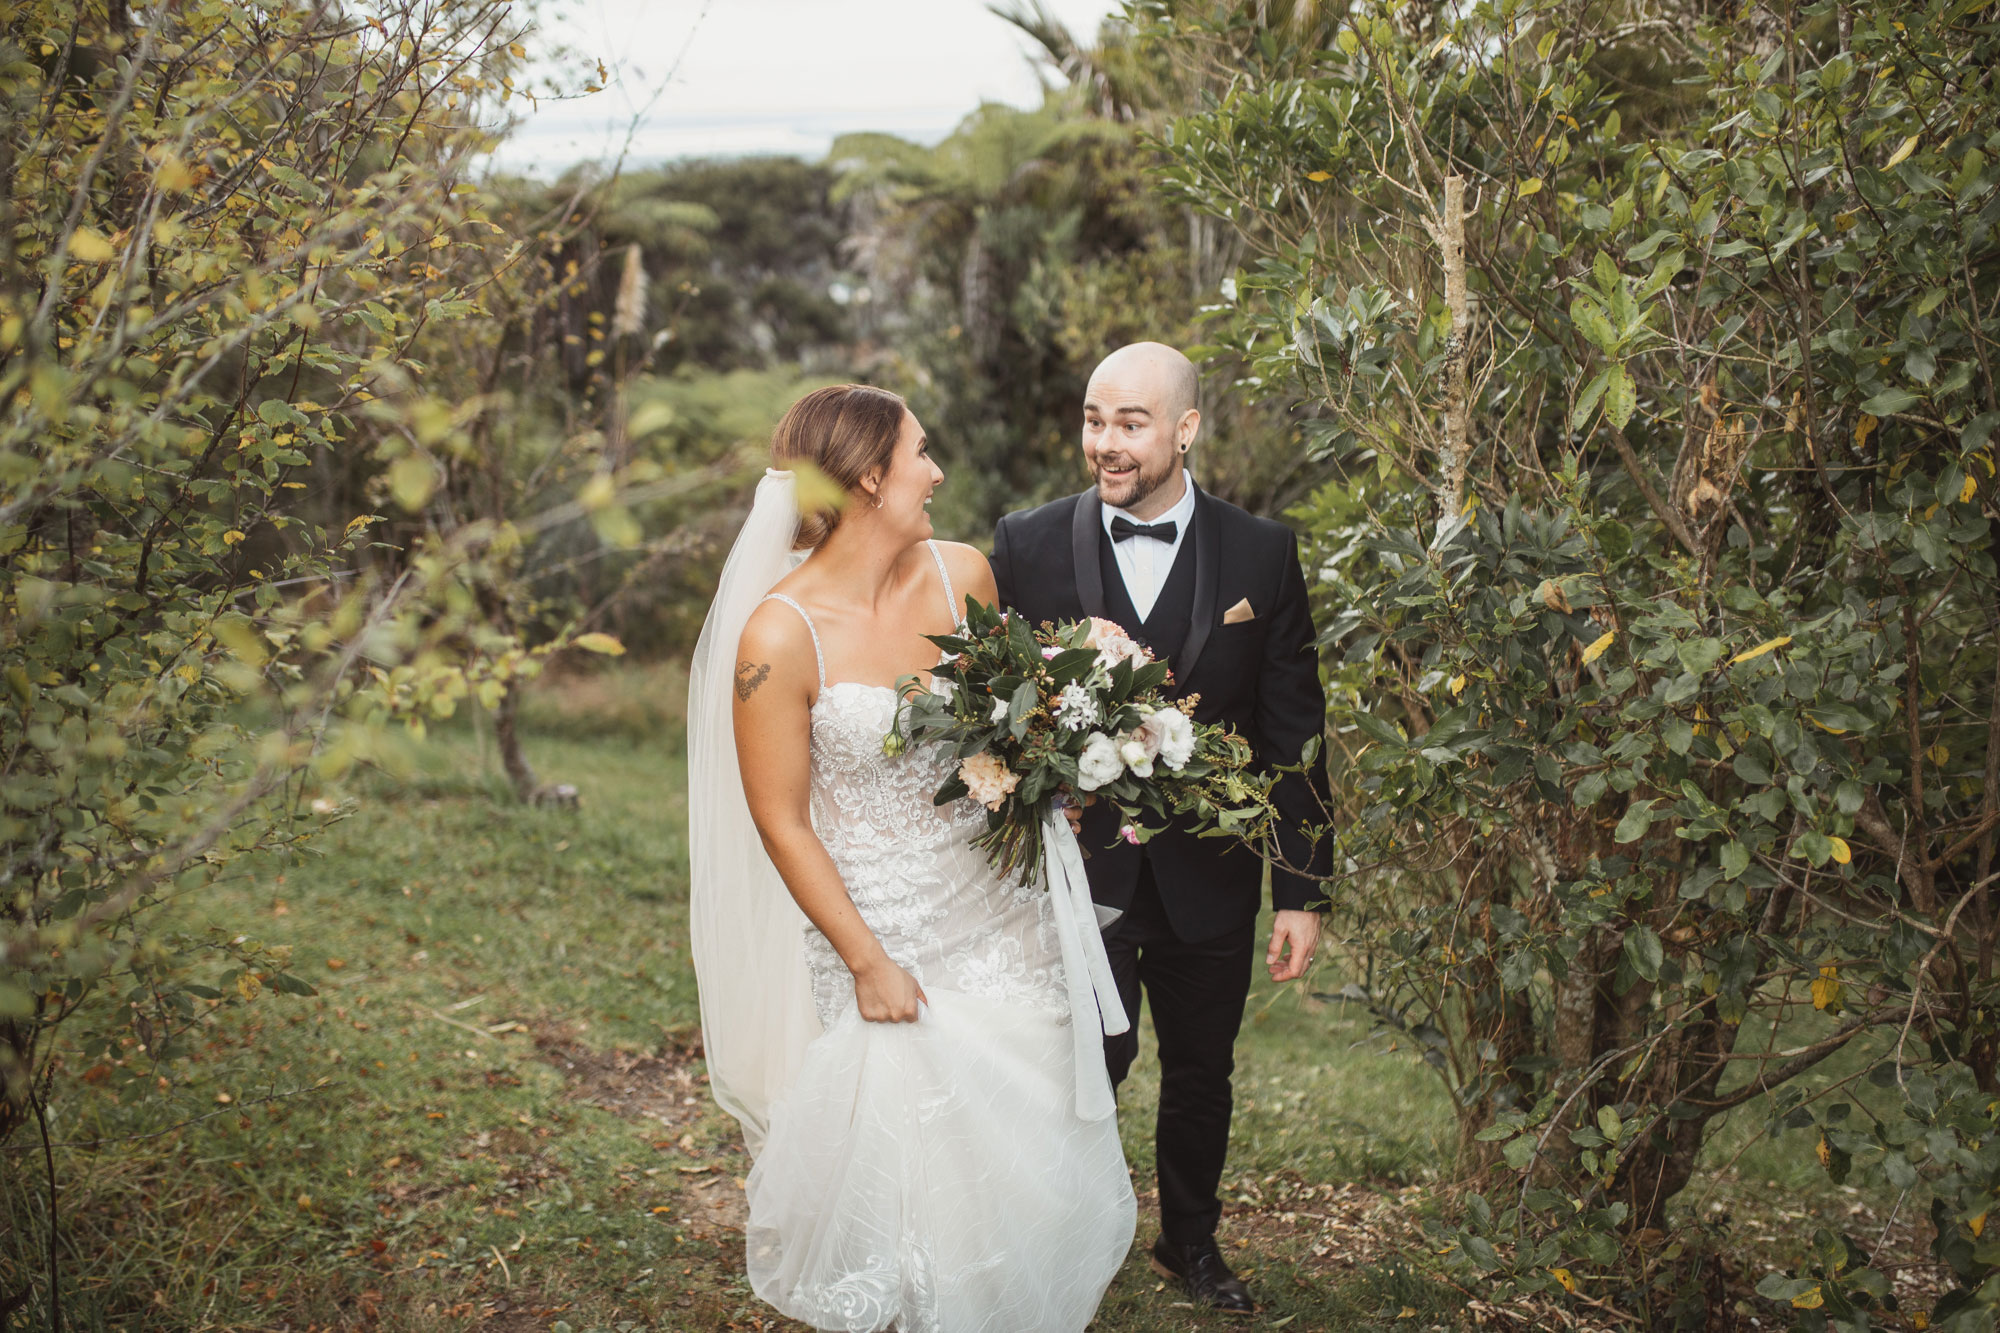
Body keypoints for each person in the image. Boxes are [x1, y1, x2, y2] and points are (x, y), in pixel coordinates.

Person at [686, 384, 1136, 1333]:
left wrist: (1067, 751)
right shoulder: (777, 634)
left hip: (993, 899)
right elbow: (781, 819)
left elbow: (997, 733)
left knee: (1026, 1110)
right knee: (912, 1139)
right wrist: (865, 959)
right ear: (866, 476)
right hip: (877, 917)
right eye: (920, 454)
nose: (937, 471)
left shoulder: (963, 574)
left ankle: (1014, 1296)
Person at [991, 342, 1332, 1316]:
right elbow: (995, 706)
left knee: (1199, 1070)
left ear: (1184, 428)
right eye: (1093, 419)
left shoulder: (1260, 554)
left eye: (1129, 422)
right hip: (1073, 869)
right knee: (1081, 1065)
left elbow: (1293, 732)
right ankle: (1064, 1235)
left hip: (1210, 878)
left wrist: (1302, 890)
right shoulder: (1025, 542)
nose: (1104, 442)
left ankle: (1189, 1241)